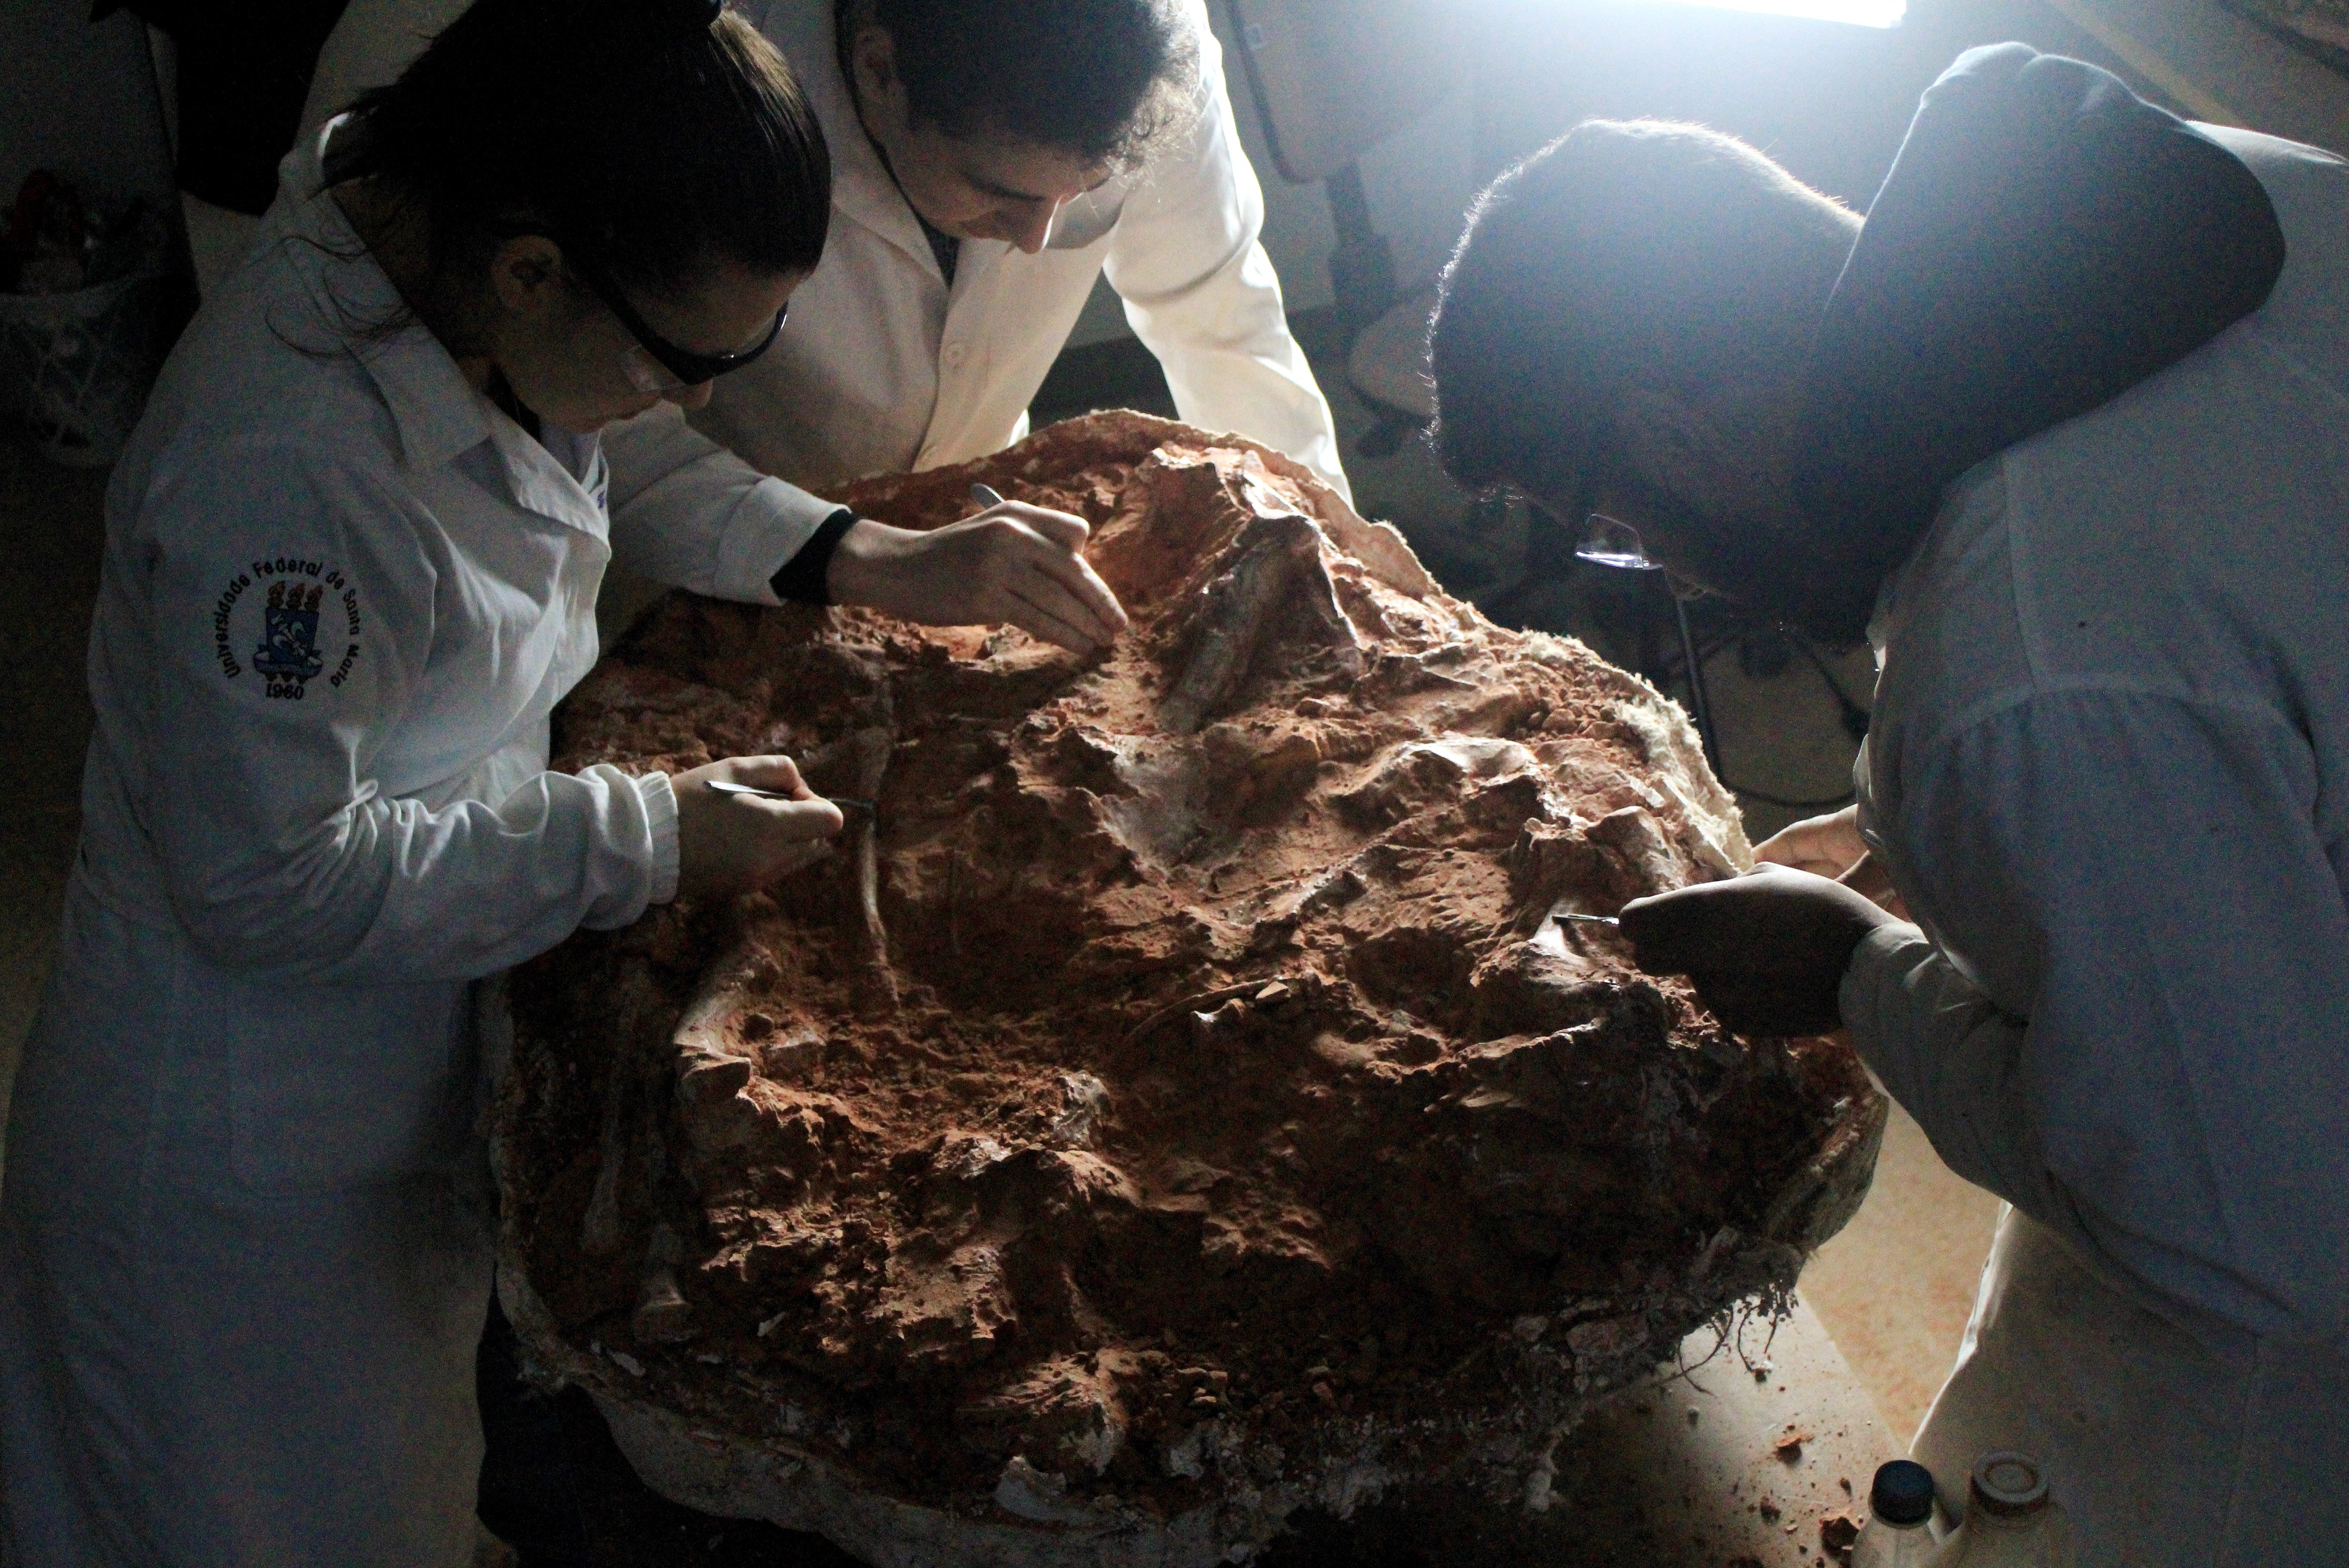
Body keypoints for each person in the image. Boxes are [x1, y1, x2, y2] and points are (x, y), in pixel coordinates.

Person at [0, 0, 1122, 1561]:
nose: (694, 403)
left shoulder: (437, 245)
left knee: (394, 1486)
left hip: (381, 1068)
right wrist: (643, 836)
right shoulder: (283, 482)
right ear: (534, 271)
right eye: (685, 361)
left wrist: (848, 559)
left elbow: (583, 464)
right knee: (251, 1520)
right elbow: (270, 881)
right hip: (238, 1155)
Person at [1427, 44, 2349, 1565]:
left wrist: (1857, 969)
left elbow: (2251, 1244)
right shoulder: (2169, 204)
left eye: (1613, 528)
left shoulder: (2023, 677)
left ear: (1665, 431)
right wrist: (1980, 855)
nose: (1657, 568)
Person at [296, 0, 1352, 609]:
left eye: (1075, 204)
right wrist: (845, 553)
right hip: (694, 548)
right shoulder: (679, 72)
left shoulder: (1144, 44)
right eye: (1000, 192)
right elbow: (563, 387)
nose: (1040, 239)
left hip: (976, 528)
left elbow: (1224, 319)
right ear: (880, 70)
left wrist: (1328, 559)